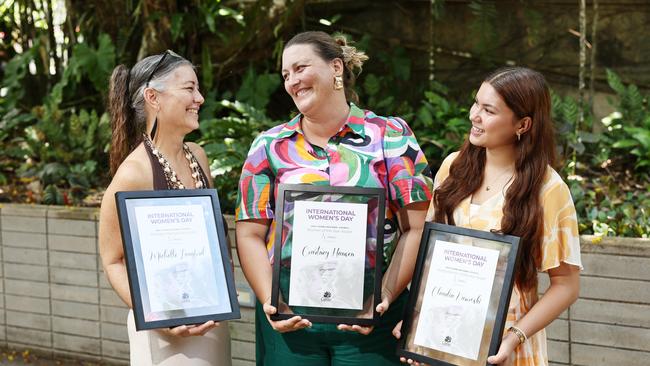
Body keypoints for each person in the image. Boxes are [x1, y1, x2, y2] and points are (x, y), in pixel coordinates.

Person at [235, 31, 434, 365]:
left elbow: (416, 227)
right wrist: (271, 301)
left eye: (300, 68)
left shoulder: (390, 135)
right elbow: (250, 233)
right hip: (289, 321)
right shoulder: (268, 147)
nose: (292, 81)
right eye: (286, 75)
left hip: (372, 319)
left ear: (336, 67)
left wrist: (383, 296)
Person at [393, 67, 582, 366]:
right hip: (444, 333)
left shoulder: (548, 189)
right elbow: (433, 257)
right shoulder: (454, 167)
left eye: (488, 110)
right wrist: (418, 318)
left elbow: (567, 285)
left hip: (503, 347)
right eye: (476, 103)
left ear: (523, 123)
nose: (474, 115)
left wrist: (513, 337)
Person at [99, 50, 231, 365]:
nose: (199, 98)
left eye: (198, 89)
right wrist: (159, 317)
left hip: (212, 320)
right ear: (153, 97)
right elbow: (113, 260)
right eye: (189, 88)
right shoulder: (134, 173)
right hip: (165, 334)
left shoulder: (198, 156)